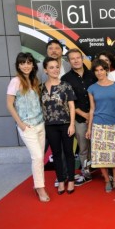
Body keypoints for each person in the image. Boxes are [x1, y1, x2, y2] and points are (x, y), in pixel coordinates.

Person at [6, 52, 49, 202]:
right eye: (23, 63)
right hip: (27, 126)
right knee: (37, 156)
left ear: (33, 65)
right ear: (18, 65)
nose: (26, 66)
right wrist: (21, 124)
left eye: (29, 63)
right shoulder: (15, 81)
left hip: (40, 124)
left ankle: (39, 184)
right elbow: (9, 104)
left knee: (39, 157)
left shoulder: (34, 80)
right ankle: (40, 188)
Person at [86, 59, 115, 193]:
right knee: (100, 156)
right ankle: (107, 181)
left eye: (101, 69)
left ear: (106, 70)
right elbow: (92, 109)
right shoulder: (91, 88)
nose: (99, 72)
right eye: (96, 70)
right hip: (98, 125)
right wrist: (89, 128)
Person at [40, 57, 76, 195]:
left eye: (56, 67)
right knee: (56, 154)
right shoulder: (41, 88)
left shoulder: (66, 85)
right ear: (45, 70)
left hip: (66, 124)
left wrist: (72, 124)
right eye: (51, 67)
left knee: (68, 153)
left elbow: (71, 106)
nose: (55, 70)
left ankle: (71, 180)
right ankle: (61, 180)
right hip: (49, 126)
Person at [61, 48, 97, 185]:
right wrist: (85, 115)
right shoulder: (65, 79)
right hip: (79, 119)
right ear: (69, 61)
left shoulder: (93, 75)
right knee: (83, 148)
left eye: (78, 58)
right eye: (72, 59)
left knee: (98, 146)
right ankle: (86, 172)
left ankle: (101, 169)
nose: (76, 60)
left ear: (82, 59)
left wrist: (92, 116)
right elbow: (68, 103)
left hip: (97, 117)